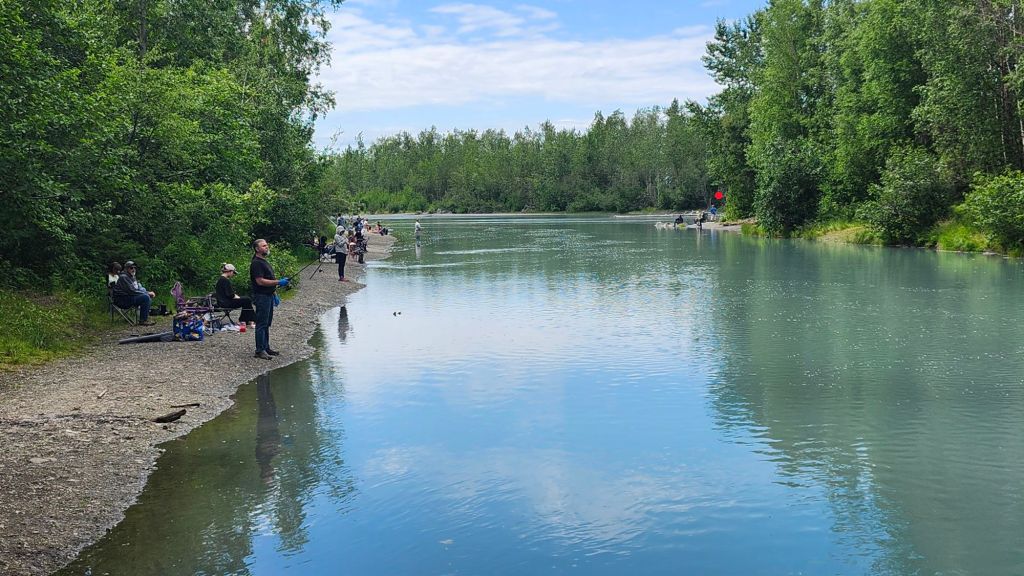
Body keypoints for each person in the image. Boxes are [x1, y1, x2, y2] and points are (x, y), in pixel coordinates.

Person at [250, 239, 289, 360]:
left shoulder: (264, 261)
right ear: (257, 249)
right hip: (261, 296)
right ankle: (259, 350)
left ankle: (266, 347)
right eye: (263, 246)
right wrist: (279, 282)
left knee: (266, 323)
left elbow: (269, 278)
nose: (267, 247)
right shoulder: (256, 263)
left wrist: (274, 293)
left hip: (269, 295)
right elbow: (260, 281)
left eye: (267, 245)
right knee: (261, 324)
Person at [112, 260, 156, 325]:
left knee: (146, 296)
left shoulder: (131, 277)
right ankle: (143, 320)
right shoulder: (124, 277)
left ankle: (144, 318)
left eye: (134, 268)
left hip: (128, 297)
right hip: (122, 300)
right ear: (126, 269)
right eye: (131, 268)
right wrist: (147, 293)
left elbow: (137, 289)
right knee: (145, 297)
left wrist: (147, 292)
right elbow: (132, 291)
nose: (133, 269)